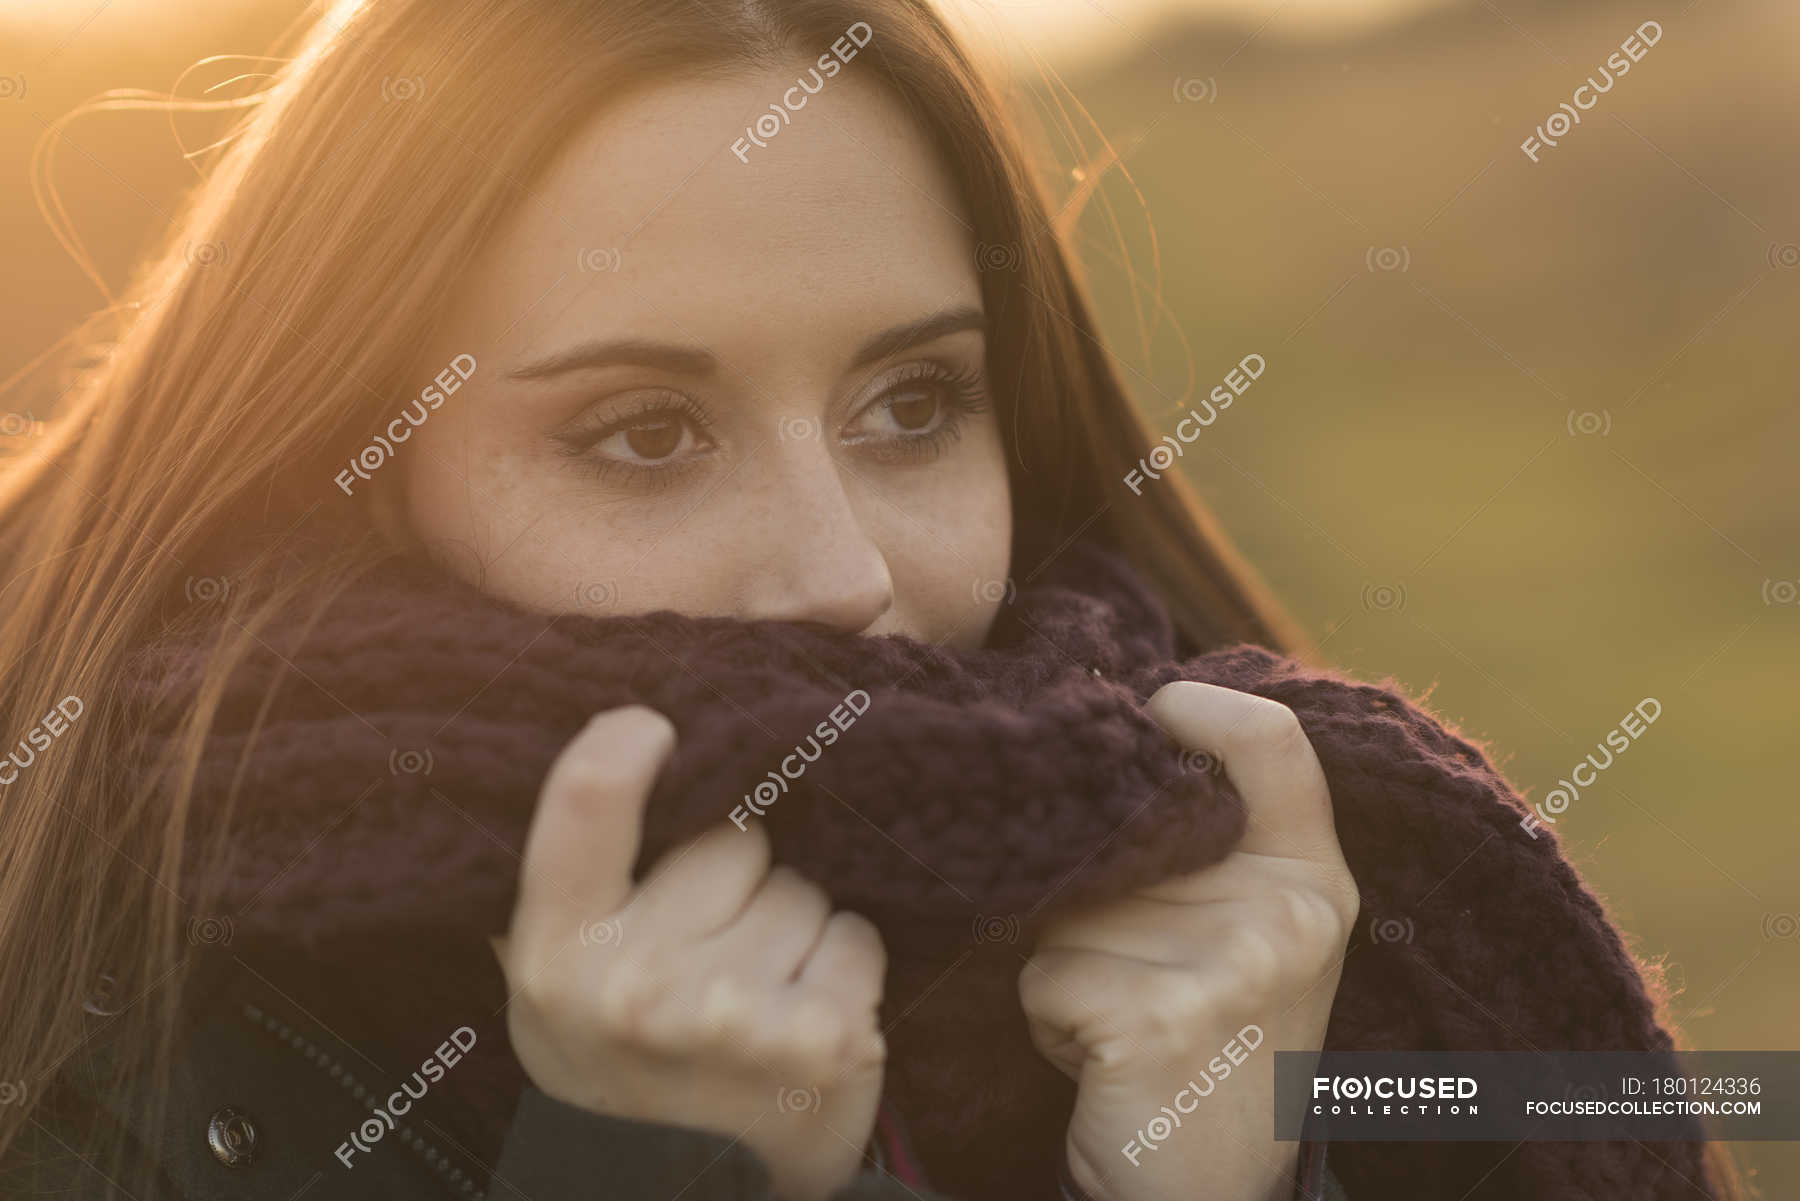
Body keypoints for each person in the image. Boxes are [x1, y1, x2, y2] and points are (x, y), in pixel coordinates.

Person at [0, 1, 1738, 1199]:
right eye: (645, 432)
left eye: (913, 407)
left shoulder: (1303, 930)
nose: (844, 575)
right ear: (352, 471)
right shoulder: (84, 1001)